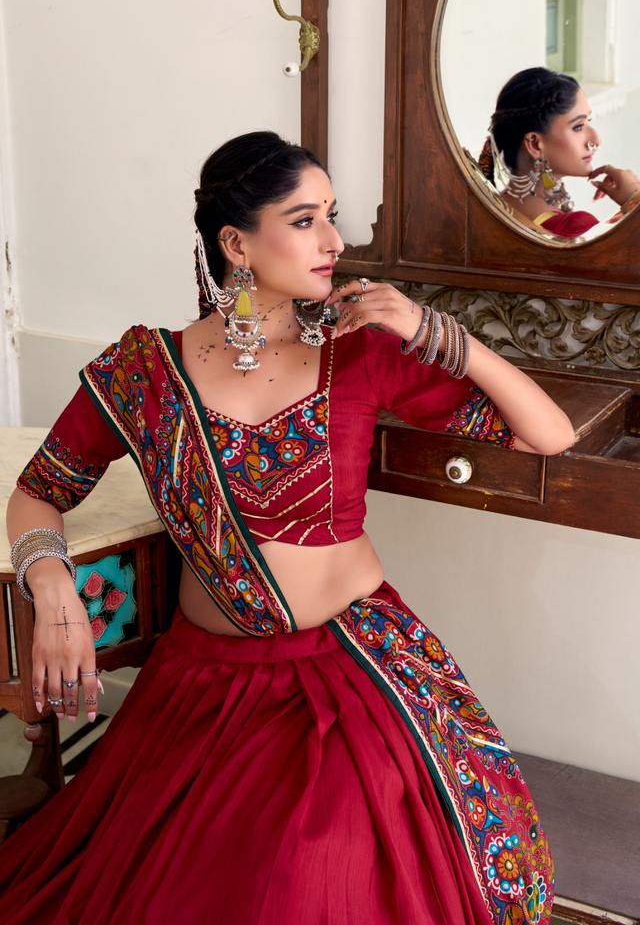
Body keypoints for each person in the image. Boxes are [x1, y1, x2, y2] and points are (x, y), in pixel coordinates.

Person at [0, 131, 575, 924]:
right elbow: (38, 492)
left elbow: (549, 435)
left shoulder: (362, 352)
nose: (335, 241)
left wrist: (433, 330)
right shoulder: (145, 372)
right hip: (205, 685)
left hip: (351, 671)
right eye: (306, 220)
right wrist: (55, 589)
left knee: (309, 866)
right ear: (236, 243)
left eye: (332, 216)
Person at [479, 66, 640, 238]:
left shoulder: (489, 212)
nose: (596, 140)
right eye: (578, 127)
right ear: (534, 144)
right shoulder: (576, 229)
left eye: (589, 121)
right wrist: (633, 198)